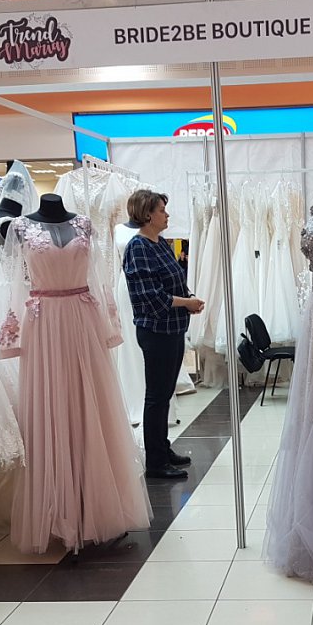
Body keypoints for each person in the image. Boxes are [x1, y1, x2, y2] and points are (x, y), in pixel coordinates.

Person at [123, 190, 205, 479]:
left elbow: (175, 282)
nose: (166, 215)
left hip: (173, 328)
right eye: (161, 210)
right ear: (147, 214)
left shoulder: (160, 244)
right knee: (157, 396)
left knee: (165, 393)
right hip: (156, 330)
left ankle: (162, 447)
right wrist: (186, 303)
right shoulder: (138, 247)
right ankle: (156, 461)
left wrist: (189, 297)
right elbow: (152, 297)